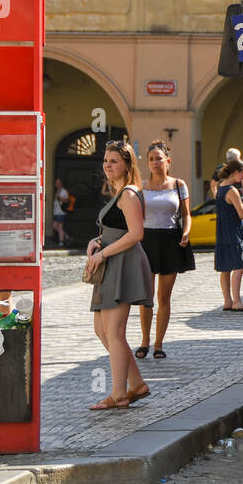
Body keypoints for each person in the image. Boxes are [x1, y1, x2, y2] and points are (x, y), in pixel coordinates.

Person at [85, 140, 153, 409]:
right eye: (105, 161)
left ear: (126, 164)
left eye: (113, 161)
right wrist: (97, 242)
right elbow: (118, 230)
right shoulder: (118, 193)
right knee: (102, 330)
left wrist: (103, 253)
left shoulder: (128, 193)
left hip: (122, 263)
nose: (107, 165)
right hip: (112, 261)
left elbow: (136, 234)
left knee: (114, 331)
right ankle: (136, 384)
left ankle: (119, 394)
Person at [135, 140, 195, 359]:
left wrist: (186, 231)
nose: (154, 162)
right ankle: (144, 341)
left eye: (158, 158)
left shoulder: (179, 185)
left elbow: (187, 213)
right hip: (147, 239)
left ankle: (159, 343)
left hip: (171, 238)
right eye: (151, 159)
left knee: (164, 297)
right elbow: (135, 216)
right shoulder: (141, 186)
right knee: (146, 296)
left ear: (167, 161)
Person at [214, 158, 243, 311]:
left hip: (222, 232)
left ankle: (227, 301)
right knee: (240, 265)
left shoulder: (220, 187)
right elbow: (242, 214)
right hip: (234, 232)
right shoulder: (231, 190)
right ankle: (237, 301)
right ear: (236, 173)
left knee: (225, 268)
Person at [53, 177, 72, 247]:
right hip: (56, 212)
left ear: (61, 183)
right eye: (56, 183)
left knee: (60, 227)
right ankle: (66, 236)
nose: (57, 184)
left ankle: (61, 242)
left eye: (58, 183)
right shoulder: (57, 190)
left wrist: (59, 197)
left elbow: (66, 200)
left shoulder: (64, 191)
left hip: (61, 212)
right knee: (54, 226)